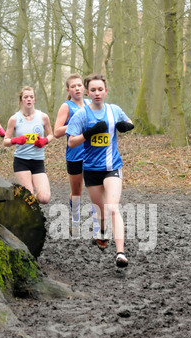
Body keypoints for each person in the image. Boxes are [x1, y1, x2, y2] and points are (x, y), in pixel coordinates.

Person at [66, 73, 134, 268]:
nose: (97, 93)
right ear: (87, 92)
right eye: (93, 90)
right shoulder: (82, 114)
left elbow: (130, 122)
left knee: (113, 207)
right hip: (91, 169)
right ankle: (102, 232)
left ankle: (120, 253)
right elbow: (71, 142)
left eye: (100, 89)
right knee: (102, 212)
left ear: (106, 91)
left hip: (112, 166)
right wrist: (88, 133)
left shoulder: (114, 110)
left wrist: (125, 126)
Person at [54, 73, 99, 238]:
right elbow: (56, 131)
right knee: (77, 192)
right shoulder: (66, 106)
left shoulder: (90, 103)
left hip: (92, 153)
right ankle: (75, 221)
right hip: (74, 154)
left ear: (84, 88)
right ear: (69, 90)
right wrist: (75, 124)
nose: (77, 89)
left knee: (95, 189)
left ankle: (98, 225)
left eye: (79, 85)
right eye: (73, 86)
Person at [4, 86, 53, 204]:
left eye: (31, 97)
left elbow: (51, 135)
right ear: (21, 100)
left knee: (44, 198)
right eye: (26, 97)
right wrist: (16, 140)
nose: (29, 99)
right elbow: (5, 141)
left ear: (35, 99)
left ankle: (24, 201)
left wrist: (44, 141)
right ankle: (28, 208)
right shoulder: (14, 119)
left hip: (38, 161)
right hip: (21, 161)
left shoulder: (43, 117)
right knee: (29, 198)